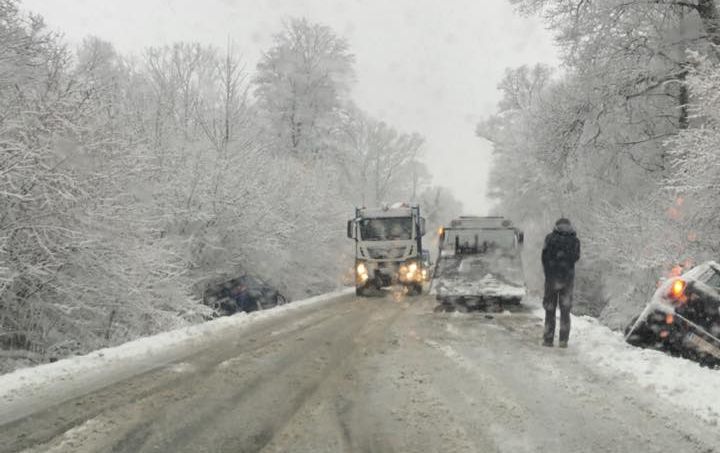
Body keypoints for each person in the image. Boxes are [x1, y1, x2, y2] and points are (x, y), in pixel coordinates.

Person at [541, 218, 581, 348]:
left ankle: (548, 339)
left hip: (551, 280)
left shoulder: (550, 238)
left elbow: (544, 258)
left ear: (556, 225)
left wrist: (549, 273)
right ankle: (563, 340)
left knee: (550, 310)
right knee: (565, 311)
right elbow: (576, 257)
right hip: (567, 280)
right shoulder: (575, 241)